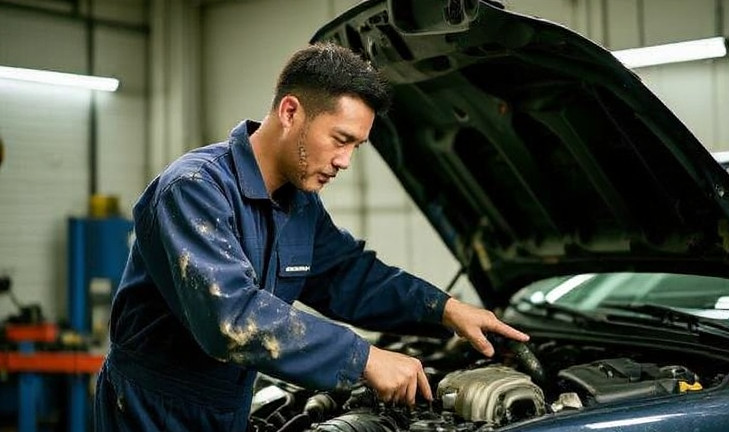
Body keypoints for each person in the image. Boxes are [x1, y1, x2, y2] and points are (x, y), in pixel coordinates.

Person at [94, 42, 529, 431]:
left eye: (355, 147)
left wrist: (444, 309)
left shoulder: (297, 202)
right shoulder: (193, 189)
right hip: (152, 410)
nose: (344, 162)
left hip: (228, 403)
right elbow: (229, 318)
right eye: (340, 139)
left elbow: (348, 275)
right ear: (290, 112)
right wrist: (363, 358)